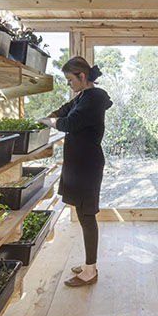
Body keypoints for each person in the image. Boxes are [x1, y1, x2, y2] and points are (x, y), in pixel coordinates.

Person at [38, 56, 113, 287]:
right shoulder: (82, 97)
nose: (68, 84)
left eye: (70, 80)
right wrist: (49, 118)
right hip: (79, 164)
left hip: (87, 164)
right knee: (83, 214)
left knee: (87, 215)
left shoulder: (95, 97)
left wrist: (47, 121)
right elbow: (62, 112)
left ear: (82, 76)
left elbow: (69, 123)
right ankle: (89, 264)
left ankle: (90, 270)